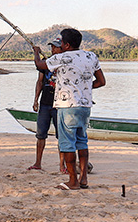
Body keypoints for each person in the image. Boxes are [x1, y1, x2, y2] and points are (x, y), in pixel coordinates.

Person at [34, 28, 105, 190]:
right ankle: (84, 178)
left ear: (66, 44)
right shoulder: (91, 56)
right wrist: (83, 88)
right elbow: (101, 82)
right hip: (85, 106)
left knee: (67, 145)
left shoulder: (61, 57)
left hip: (67, 107)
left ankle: (73, 180)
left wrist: (37, 52)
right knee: (82, 141)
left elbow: (39, 65)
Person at [27, 38, 64, 172]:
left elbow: (37, 63)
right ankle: (38, 163)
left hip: (59, 104)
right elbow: (40, 82)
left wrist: (36, 53)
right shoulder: (46, 63)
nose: (53, 50)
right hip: (45, 103)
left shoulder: (64, 63)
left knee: (62, 137)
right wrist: (36, 99)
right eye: (52, 47)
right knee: (41, 134)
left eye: (56, 47)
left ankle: (62, 166)